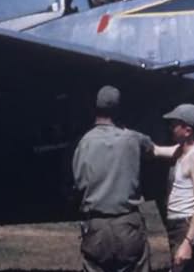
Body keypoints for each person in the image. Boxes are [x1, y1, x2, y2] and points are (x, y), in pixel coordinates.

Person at [72, 86, 174, 272]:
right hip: (127, 224)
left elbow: (78, 184)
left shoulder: (83, 143)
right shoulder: (132, 138)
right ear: (118, 109)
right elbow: (156, 151)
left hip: (95, 226)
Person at [162, 104, 194, 272]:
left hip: (187, 226)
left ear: (187, 130)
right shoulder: (181, 151)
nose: (171, 128)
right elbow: (156, 150)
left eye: (175, 124)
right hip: (178, 226)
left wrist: (188, 243)